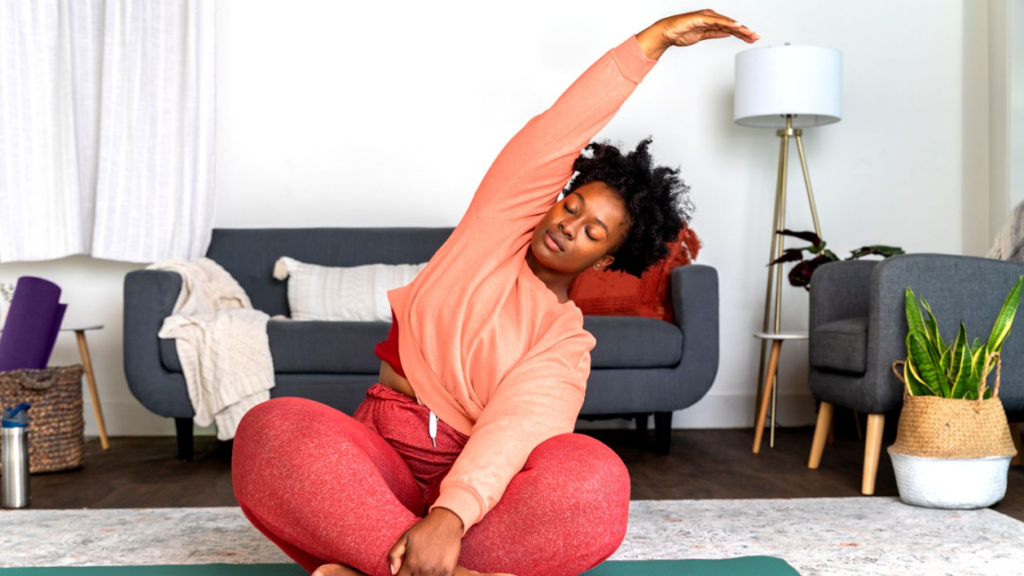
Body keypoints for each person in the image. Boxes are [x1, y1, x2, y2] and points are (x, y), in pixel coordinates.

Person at [231, 9, 759, 576]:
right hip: (380, 455)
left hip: (482, 497)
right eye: (571, 207)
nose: (567, 226)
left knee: (596, 481)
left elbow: (513, 431)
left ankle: (376, 561)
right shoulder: (493, 232)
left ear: (605, 258)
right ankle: (429, 567)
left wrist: (451, 517)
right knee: (271, 428)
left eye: (591, 232)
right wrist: (650, 43)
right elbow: (557, 131)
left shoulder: (565, 340)